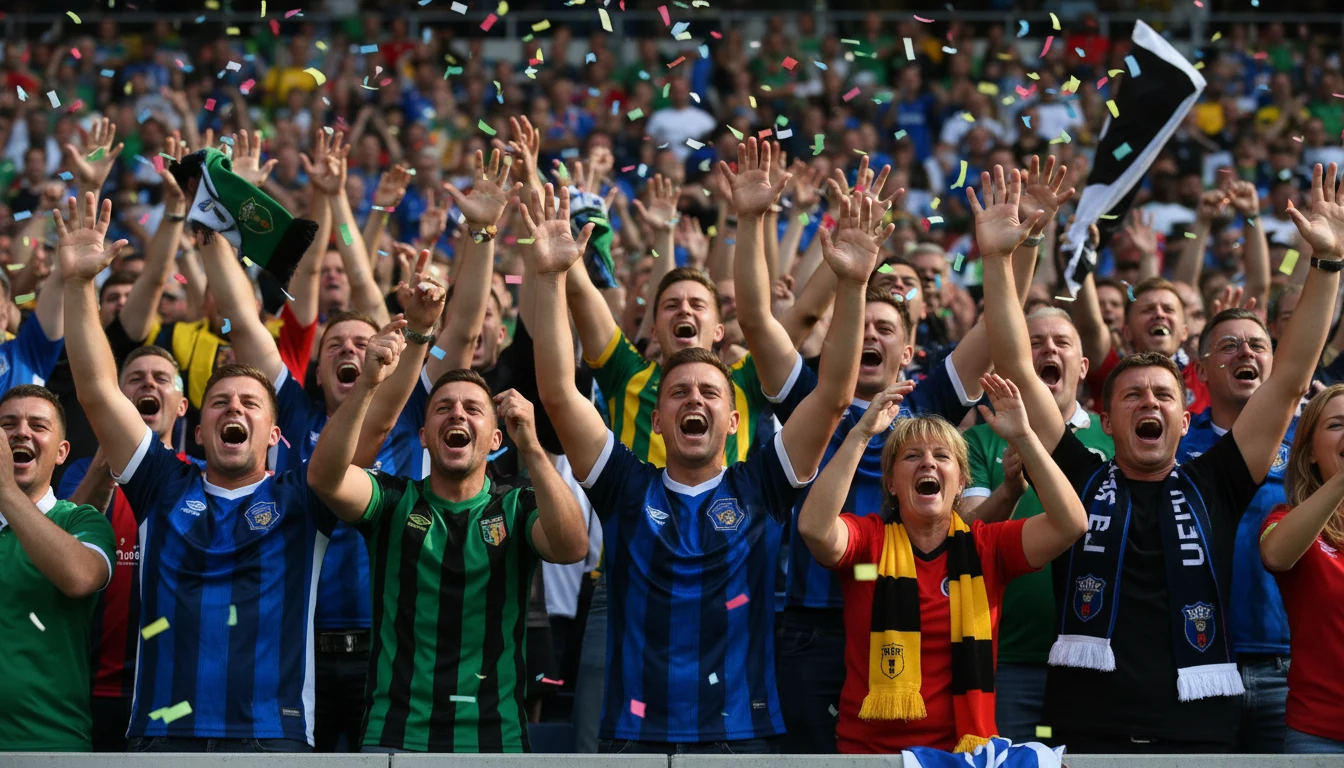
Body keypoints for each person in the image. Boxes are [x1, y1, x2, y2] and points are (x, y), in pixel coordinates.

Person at [977, 162, 1343, 753]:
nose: (1149, 402)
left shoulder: (1217, 478)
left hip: (1196, 720)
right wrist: (999, 260)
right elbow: (1018, 366)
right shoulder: (1075, 474)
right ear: (1108, 418)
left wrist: (1326, 265)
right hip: (1082, 721)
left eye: (1164, 395)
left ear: (1183, 414)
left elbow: (1292, 376)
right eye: (1133, 395)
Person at [528, 181, 881, 753]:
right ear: (657, 422)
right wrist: (549, 279)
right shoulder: (623, 485)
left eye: (711, 393)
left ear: (738, 418)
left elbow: (834, 396)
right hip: (636, 734)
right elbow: (559, 394)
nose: (694, 401)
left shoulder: (764, 485)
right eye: (679, 394)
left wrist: (853, 284)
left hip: (737, 733)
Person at [203, 151, 499, 753]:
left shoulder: (418, 410)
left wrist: (482, 234)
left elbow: (463, 329)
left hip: (394, 638)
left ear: (386, 356)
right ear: (316, 363)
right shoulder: (290, 408)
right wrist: (213, 231)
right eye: (336, 344)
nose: (351, 351)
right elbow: (240, 315)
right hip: (296, 634)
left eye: (364, 342)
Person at [60, 192, 339, 753]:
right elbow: (95, 390)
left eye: (250, 404)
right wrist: (77, 285)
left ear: (275, 435)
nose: (233, 409)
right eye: (219, 403)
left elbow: (368, 430)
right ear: (200, 428)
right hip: (163, 739)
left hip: (272, 739)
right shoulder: (162, 484)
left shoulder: (304, 496)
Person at [305, 323, 589, 753]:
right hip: (397, 738)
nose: (457, 414)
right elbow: (325, 478)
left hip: (496, 741)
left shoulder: (517, 505)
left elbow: (572, 547)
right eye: (443, 408)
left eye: (473, 408)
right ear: (423, 437)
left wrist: (531, 447)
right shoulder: (393, 501)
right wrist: (367, 384)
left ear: (496, 439)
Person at [798, 373, 1086, 753]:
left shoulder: (989, 546)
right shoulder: (869, 542)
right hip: (871, 755)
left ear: (962, 482)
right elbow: (815, 529)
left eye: (942, 456)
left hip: (965, 756)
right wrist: (862, 434)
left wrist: (1024, 437)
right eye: (912, 456)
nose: (927, 464)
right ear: (892, 483)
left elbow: (1071, 523)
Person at [961, 307, 1115, 743]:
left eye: (1062, 342)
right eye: (1035, 342)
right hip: (1008, 658)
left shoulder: (1112, 438)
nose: (1049, 348)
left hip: (1095, 656)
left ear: (1083, 367)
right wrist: (1008, 491)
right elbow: (968, 538)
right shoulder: (981, 438)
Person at [57, 345, 193, 752]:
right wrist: (110, 451)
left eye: (161, 378)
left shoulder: (198, 477)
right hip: (89, 686)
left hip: (171, 692)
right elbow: (60, 544)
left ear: (182, 405)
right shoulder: (82, 471)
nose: (149, 383)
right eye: (135, 379)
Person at [1182, 306, 1294, 753]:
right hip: (1198, 663)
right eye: (1229, 345)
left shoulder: (1310, 446)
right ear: (1201, 370)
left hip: (1288, 668)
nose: (1245, 351)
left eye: (1257, 344)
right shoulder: (1172, 447)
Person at [0, 384, 115, 752]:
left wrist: (5, 491)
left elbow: (79, 577)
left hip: (47, 744)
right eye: (8, 424)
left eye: (38, 425)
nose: (21, 432)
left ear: (62, 451)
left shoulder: (80, 520)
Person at [1260, 383, 1344, 754]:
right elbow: (1276, 556)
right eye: (1338, 425)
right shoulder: (1286, 519)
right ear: (1309, 452)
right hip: (1320, 736)